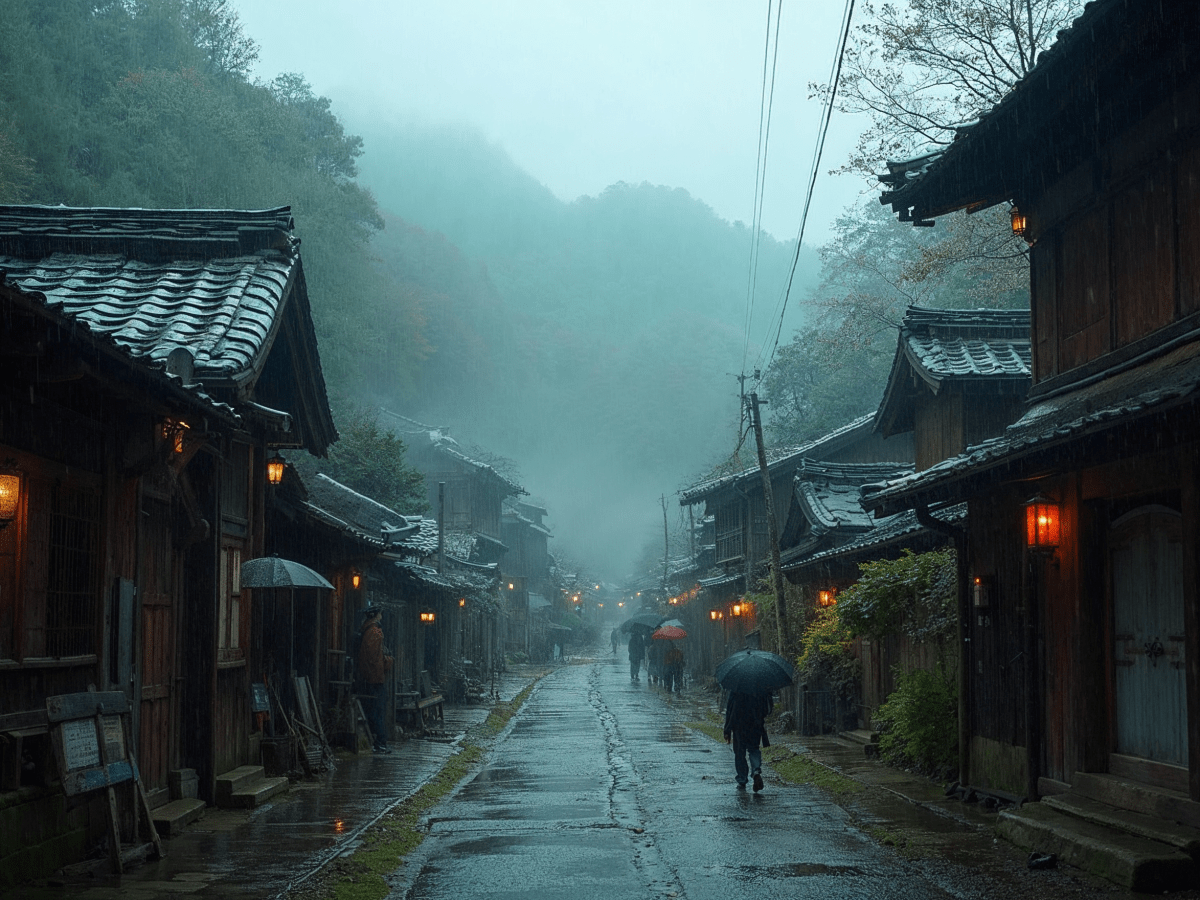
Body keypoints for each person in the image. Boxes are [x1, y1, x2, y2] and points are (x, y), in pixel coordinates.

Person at [357, 607, 393, 753]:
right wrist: (388, 661)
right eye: (380, 614)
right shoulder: (374, 632)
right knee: (377, 710)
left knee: (376, 709)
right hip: (374, 678)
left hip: (372, 676)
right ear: (376, 615)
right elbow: (374, 658)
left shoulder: (370, 631)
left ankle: (379, 740)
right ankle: (379, 741)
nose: (381, 617)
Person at [723, 690, 772, 791]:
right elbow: (768, 709)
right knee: (754, 749)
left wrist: (727, 729)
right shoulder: (761, 687)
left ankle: (742, 779)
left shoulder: (736, 689)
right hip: (755, 725)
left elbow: (730, 709)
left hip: (739, 726)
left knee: (740, 753)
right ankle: (756, 771)